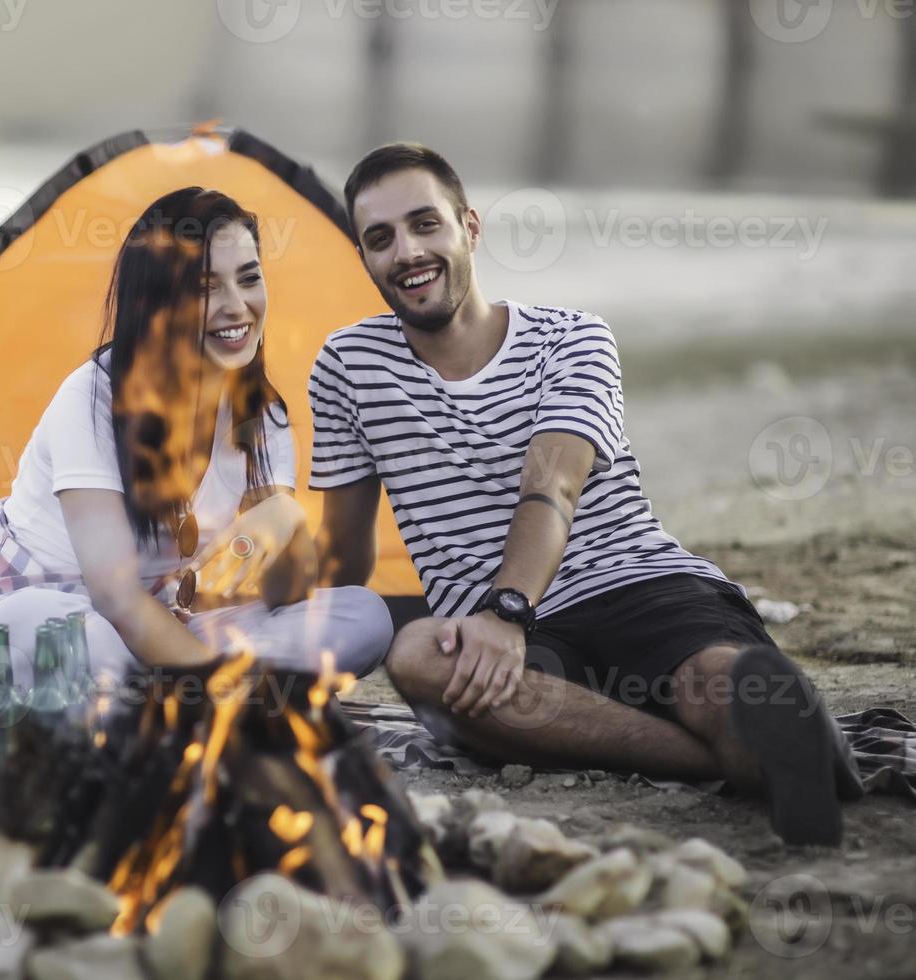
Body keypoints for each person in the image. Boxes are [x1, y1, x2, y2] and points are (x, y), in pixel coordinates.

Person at [309, 143, 862, 845]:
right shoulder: (346, 366)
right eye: (379, 238)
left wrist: (505, 610)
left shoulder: (571, 338)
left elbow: (554, 485)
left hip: (633, 584)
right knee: (416, 653)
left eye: (425, 224)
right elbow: (343, 559)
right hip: (496, 640)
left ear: (468, 228)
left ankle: (765, 742)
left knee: (720, 680)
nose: (406, 252)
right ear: (363, 258)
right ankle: (743, 761)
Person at [0, 187, 393, 688]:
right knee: (89, 640)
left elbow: (289, 595)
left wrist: (285, 519)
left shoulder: (262, 415)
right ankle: (215, 700)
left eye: (249, 279)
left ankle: (174, 703)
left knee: (361, 614)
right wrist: (216, 686)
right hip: (34, 628)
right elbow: (116, 600)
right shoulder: (93, 397)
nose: (237, 306)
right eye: (205, 288)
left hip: (165, 633)